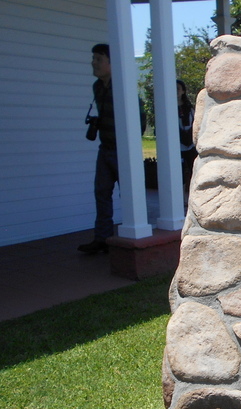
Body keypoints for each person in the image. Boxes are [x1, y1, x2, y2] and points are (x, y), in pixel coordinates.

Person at [78, 44, 146, 254]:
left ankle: (135, 234)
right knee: (101, 193)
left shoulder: (123, 87)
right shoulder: (97, 87)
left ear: (111, 62)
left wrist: (130, 145)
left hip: (123, 152)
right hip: (105, 149)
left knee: (130, 195)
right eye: (94, 58)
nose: (94, 63)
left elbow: (140, 117)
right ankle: (102, 239)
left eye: (98, 59)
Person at [177, 79, 197, 198]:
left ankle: (193, 196)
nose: (176, 92)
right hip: (177, 146)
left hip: (190, 145)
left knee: (193, 169)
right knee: (179, 173)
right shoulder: (169, 108)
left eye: (178, 89)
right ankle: (180, 197)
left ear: (183, 91)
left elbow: (195, 122)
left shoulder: (189, 108)